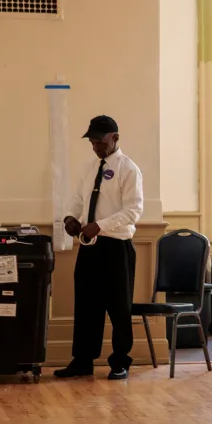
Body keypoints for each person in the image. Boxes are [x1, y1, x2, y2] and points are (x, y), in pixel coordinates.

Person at [54, 116, 144, 381]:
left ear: (114, 137)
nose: (95, 147)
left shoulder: (129, 169)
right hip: (89, 248)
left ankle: (119, 362)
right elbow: (79, 200)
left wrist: (100, 226)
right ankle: (82, 360)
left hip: (116, 248)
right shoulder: (89, 167)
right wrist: (71, 217)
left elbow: (133, 211)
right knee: (86, 306)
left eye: (99, 141)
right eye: (92, 142)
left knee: (119, 308)